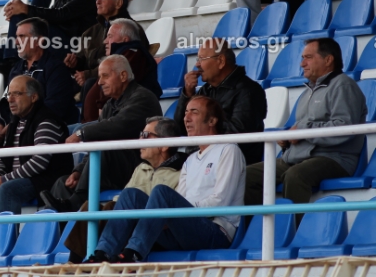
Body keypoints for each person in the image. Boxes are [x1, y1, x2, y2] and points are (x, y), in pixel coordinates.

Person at [90, 96, 245, 263]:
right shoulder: (191, 159)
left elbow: (221, 201)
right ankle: (102, 254)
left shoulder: (228, 150)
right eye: (185, 112)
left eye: (194, 112)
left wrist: (179, 212)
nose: (186, 118)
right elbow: (180, 199)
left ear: (212, 121)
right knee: (130, 195)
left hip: (215, 232)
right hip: (184, 228)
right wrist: (169, 215)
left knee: (162, 192)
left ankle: (132, 253)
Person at [245, 38, 366, 213]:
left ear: (328, 60)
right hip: (299, 156)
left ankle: (293, 228)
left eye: (308, 57)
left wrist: (303, 131)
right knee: (247, 175)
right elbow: (302, 127)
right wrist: (287, 140)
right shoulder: (307, 91)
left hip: (334, 158)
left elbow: (344, 128)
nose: (302, 63)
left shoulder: (343, 85)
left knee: (295, 176)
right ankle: (258, 226)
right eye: (302, 58)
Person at [39, 55, 162, 212]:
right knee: (63, 183)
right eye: (99, 77)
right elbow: (97, 141)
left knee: (106, 148)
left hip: (140, 169)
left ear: (123, 76)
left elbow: (117, 125)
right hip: (114, 169)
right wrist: (79, 171)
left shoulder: (143, 97)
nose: (99, 82)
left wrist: (81, 133)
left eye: (105, 76)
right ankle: (60, 223)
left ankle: (75, 203)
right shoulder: (110, 105)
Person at [64, 117, 187, 263]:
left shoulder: (182, 171)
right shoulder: (141, 168)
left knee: (110, 210)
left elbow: (173, 217)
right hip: (130, 224)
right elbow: (124, 200)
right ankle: (75, 263)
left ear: (164, 145)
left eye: (146, 135)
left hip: (154, 231)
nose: (140, 140)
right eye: (140, 134)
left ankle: (91, 260)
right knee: (91, 208)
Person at [0, 76, 73, 216]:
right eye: (9, 94)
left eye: (16, 94)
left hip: (45, 180)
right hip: (17, 180)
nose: (10, 99)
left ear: (33, 97)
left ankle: (5, 231)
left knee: (6, 189)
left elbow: (39, 162)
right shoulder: (14, 122)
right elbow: (3, 158)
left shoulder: (46, 120)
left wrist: (3, 180)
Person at [174, 39, 267, 164]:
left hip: (233, 163)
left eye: (202, 59)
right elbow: (180, 128)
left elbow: (240, 134)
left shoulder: (249, 90)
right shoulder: (206, 90)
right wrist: (188, 94)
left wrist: (203, 125)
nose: (197, 64)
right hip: (199, 160)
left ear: (221, 61)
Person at [0, 17, 79, 139]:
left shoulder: (56, 69)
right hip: (20, 130)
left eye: (22, 37)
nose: (16, 42)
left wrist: (16, 125)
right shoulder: (16, 69)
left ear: (39, 41)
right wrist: (0, 122)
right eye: (16, 37)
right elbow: (9, 101)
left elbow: (54, 108)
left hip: (47, 132)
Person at [66, 0, 133, 120]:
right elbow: (82, 60)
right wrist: (75, 63)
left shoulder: (129, 30)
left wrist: (88, 74)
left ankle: (86, 128)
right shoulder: (90, 32)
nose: (97, 1)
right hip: (89, 81)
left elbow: (123, 62)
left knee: (90, 83)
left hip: (115, 85)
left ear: (118, 3)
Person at [99, 18, 161, 98]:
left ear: (125, 39)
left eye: (110, 36)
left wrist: (99, 103)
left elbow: (117, 86)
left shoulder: (133, 54)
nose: (105, 41)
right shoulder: (127, 54)